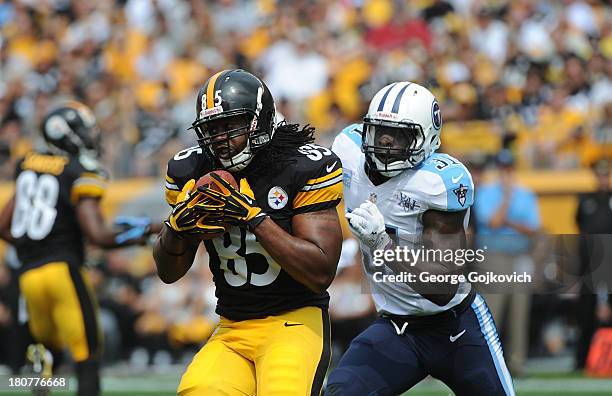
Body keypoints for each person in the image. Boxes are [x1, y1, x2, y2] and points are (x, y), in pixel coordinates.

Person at [152, 69, 343, 395]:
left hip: (293, 321)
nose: (221, 138)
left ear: (260, 122)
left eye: (230, 125)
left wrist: (253, 217)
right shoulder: (191, 170)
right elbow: (169, 273)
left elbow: (320, 272)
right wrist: (176, 229)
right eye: (212, 129)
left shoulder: (300, 166)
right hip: (232, 326)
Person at [327, 81, 514, 395]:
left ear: (428, 139)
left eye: (399, 135)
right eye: (380, 131)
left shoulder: (438, 182)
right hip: (395, 326)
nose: (385, 142)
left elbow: (442, 287)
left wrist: (382, 245)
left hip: (456, 325)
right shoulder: (347, 149)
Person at [0, 101, 155, 396]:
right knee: (87, 356)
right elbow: (98, 235)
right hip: (62, 272)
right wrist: (146, 232)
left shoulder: (28, 164)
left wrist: (32, 248)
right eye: (84, 131)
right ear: (66, 134)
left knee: (44, 360)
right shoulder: (79, 170)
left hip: (29, 278)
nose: (90, 136)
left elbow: (3, 225)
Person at [474, 149, 540, 376]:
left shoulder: (527, 194)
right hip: (493, 256)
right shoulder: (485, 193)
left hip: (520, 255)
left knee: (519, 312)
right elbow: (493, 222)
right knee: (493, 311)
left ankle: (517, 362)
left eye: (508, 169)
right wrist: (508, 198)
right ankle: (486, 360)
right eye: (502, 169)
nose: (505, 173)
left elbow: (533, 229)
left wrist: (508, 221)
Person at [574, 159, 612, 369]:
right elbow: (580, 225)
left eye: (606, 175)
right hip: (589, 265)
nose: (603, 179)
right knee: (586, 314)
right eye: (600, 175)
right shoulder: (586, 200)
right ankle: (582, 359)